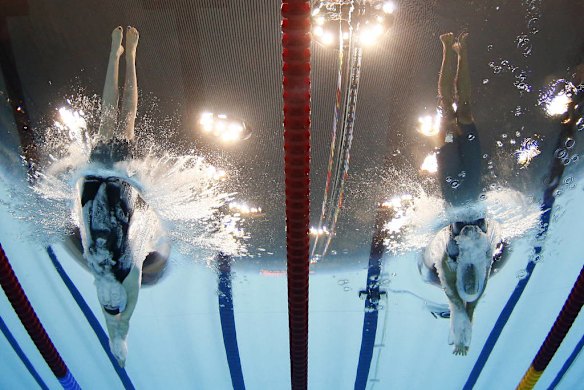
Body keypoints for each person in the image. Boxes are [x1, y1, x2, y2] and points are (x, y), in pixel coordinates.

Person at [76, 26, 168, 367]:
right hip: (97, 186)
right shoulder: (100, 267)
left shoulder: (121, 271)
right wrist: (118, 333)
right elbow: (119, 318)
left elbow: (124, 316)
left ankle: (126, 54)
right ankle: (120, 53)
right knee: (110, 116)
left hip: (114, 188)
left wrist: (120, 333)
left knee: (122, 117)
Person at [417, 32, 507, 356]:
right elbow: (470, 306)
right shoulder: (479, 281)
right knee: (465, 111)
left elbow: (458, 304)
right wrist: (468, 326)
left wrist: (461, 335)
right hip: (473, 182)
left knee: (445, 112)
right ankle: (463, 50)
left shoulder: (452, 282)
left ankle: (445, 48)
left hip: (452, 187)